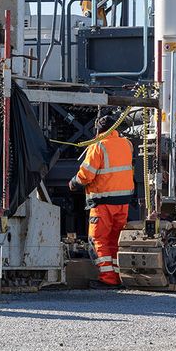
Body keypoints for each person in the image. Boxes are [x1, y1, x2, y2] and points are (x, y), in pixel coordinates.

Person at [69, 112, 135, 288]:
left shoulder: (98, 146)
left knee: (98, 239)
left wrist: (74, 182)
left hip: (103, 202)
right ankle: (118, 276)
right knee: (115, 240)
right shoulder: (127, 144)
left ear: (98, 130)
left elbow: (86, 175)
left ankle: (108, 278)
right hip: (123, 203)